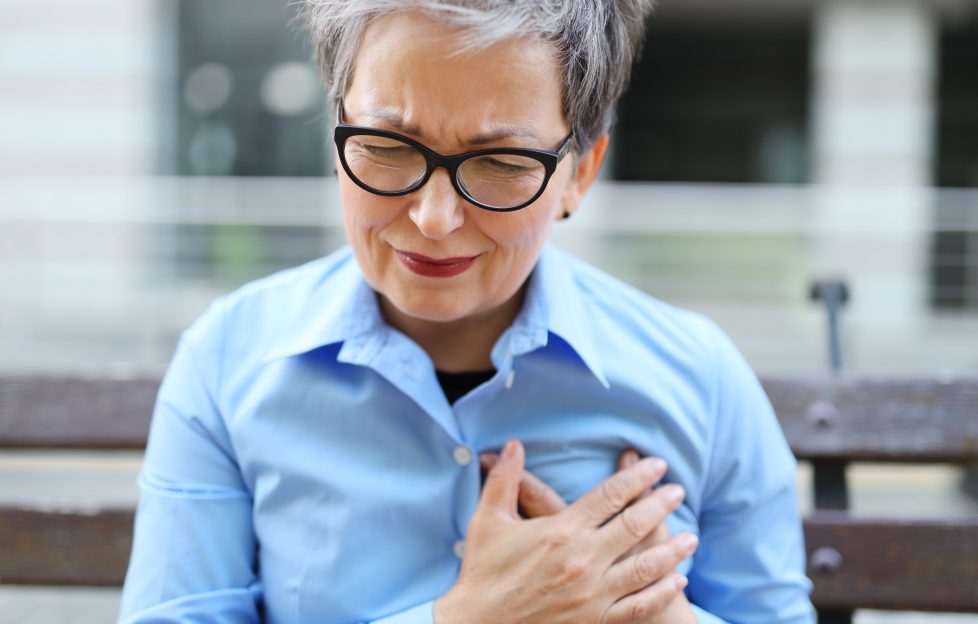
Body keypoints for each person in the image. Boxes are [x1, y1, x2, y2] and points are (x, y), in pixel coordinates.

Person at [119, 1, 815, 623]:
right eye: (388, 147)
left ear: (580, 173)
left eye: (500, 163)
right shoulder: (226, 360)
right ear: (336, 132)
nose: (433, 218)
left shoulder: (700, 377)